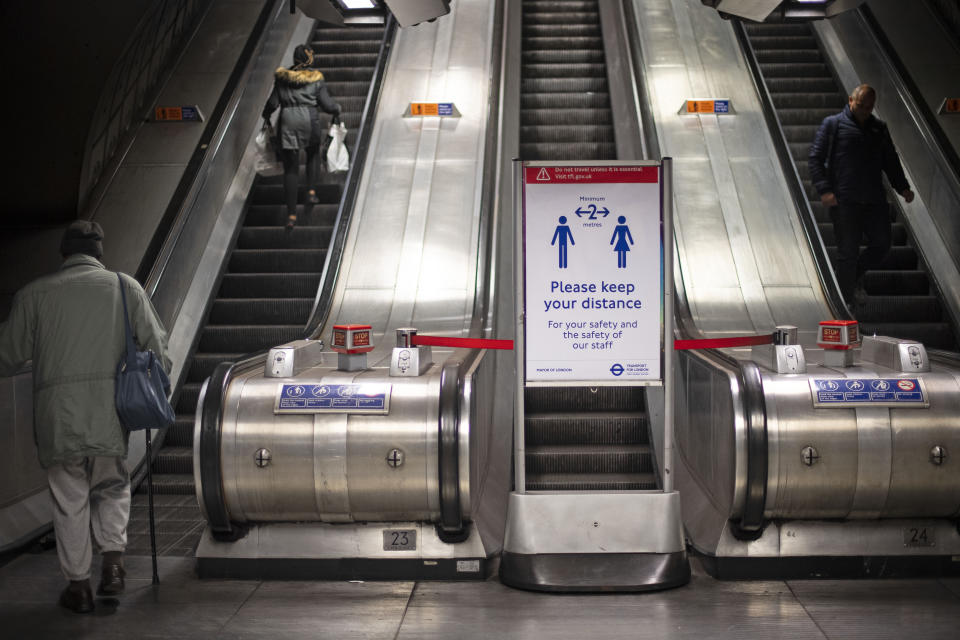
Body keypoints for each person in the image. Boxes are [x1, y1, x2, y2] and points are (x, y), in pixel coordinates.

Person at [0, 221, 171, 614]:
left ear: (64, 255)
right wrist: (158, 388)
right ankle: (113, 566)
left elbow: (7, 355)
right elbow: (157, 344)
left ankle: (78, 587)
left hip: (57, 418)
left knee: (69, 499)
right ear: (98, 253)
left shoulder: (34, 294)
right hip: (110, 411)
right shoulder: (124, 287)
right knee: (111, 485)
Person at [808, 84, 914, 308]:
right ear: (850, 101)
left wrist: (902, 187)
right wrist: (825, 190)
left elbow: (890, 160)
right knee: (848, 252)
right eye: (861, 105)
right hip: (845, 201)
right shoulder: (833, 124)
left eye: (869, 107)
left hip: (874, 200)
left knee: (882, 244)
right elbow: (815, 158)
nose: (865, 111)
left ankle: (845, 281)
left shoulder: (879, 128)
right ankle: (844, 305)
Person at [263, 44, 341, 230]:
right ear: (309, 59)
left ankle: (291, 215)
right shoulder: (316, 78)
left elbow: (273, 103)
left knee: (290, 168)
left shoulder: (282, 78)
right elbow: (327, 105)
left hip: (288, 122)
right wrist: (337, 109)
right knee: (313, 154)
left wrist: (266, 115)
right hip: (309, 120)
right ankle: (311, 192)